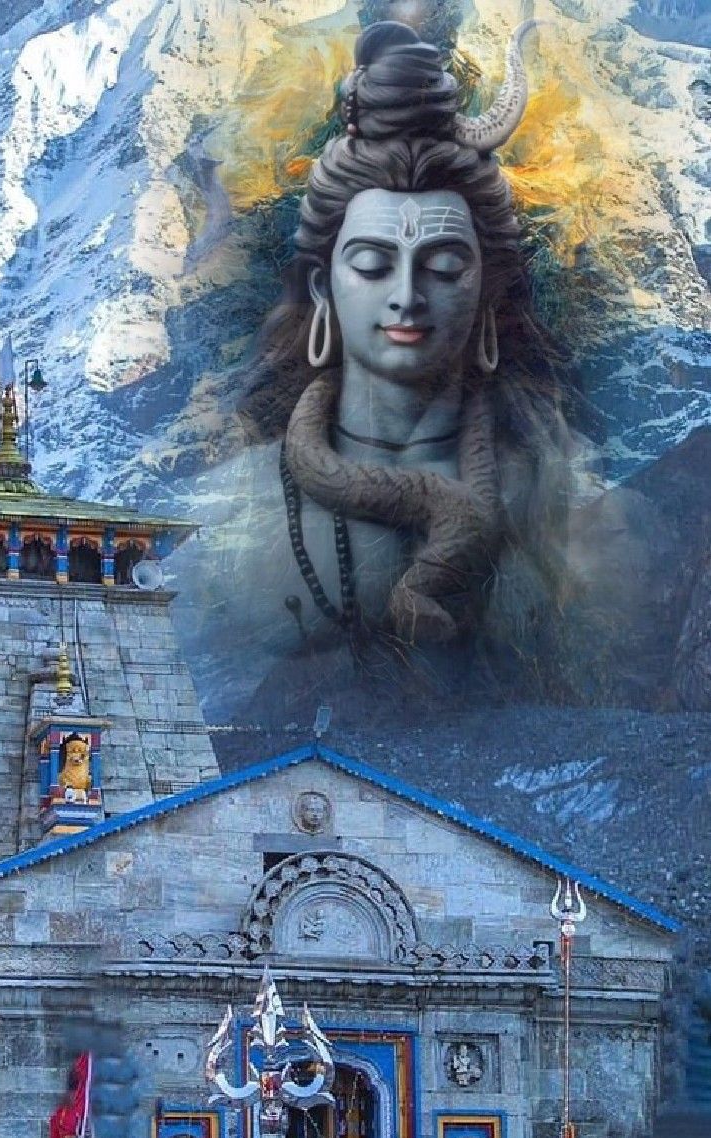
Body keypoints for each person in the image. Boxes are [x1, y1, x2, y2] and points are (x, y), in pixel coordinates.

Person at [236, 20, 572, 664]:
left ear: (488, 292)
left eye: (445, 267)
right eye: (370, 264)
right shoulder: (232, 516)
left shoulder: (556, 494)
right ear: (322, 288)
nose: (407, 296)